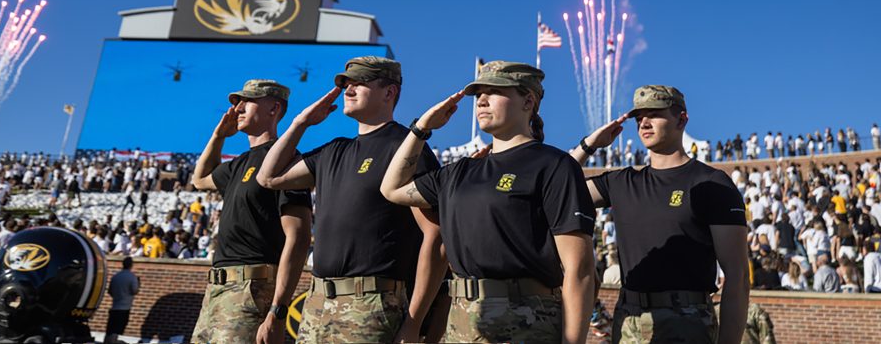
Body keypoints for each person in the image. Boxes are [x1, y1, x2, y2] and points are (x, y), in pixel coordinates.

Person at [380, 61, 595, 344]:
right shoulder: (459, 171)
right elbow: (392, 188)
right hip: (461, 319)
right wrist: (421, 129)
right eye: (478, 93)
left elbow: (579, 270)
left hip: (527, 320)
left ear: (528, 101)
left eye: (494, 91)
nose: (481, 100)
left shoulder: (554, 165)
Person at [258, 57, 445, 344]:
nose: (349, 89)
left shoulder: (406, 146)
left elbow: (435, 236)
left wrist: (413, 322)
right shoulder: (335, 149)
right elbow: (268, 178)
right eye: (346, 84)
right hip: (317, 302)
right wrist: (301, 122)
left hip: (372, 304)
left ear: (389, 92)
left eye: (360, 83)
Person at [571, 85, 749, 344]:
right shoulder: (622, 182)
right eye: (639, 116)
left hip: (687, 322)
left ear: (681, 119)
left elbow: (738, 277)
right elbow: (555, 191)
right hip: (629, 319)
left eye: (654, 113)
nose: (644, 122)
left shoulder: (711, 183)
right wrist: (589, 145)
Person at [190, 79, 313, 344]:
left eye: (249, 101)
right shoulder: (240, 163)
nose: (238, 108)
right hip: (217, 288)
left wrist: (277, 309)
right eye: (237, 102)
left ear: (274, 109)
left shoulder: (286, 159)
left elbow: (299, 237)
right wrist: (218, 136)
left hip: (252, 288)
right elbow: (200, 180)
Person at [105, 257, 140, 343]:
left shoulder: (116, 276)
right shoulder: (132, 277)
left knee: (110, 330)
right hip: (124, 308)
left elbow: (110, 291)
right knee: (116, 331)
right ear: (131, 265)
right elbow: (134, 291)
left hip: (114, 306)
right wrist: (139, 284)